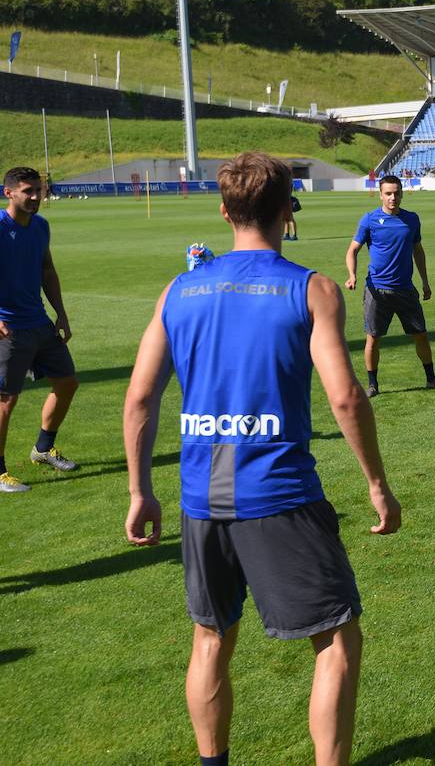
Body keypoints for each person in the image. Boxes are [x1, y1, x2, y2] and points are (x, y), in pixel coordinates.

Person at [123, 151, 402, 765]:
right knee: (334, 640)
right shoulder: (312, 289)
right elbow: (346, 398)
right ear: (286, 212)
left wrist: (140, 490)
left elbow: (141, 395)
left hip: (203, 491)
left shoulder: (180, 289)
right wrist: (377, 485)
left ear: (225, 212)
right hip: (277, 491)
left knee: (210, 638)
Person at [0, 166, 79, 493]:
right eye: (27, 191)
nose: (35, 197)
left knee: (68, 383)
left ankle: (43, 449)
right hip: (9, 329)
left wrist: (60, 313)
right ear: (9, 193)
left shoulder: (41, 226)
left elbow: (47, 270)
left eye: (39, 190)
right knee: (6, 399)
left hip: (39, 322)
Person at [344, 175, 435, 397]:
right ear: (380, 194)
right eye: (388, 193)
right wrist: (352, 275)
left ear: (402, 193)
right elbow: (352, 250)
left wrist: (425, 281)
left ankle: (431, 379)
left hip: (405, 289)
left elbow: (418, 251)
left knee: (421, 334)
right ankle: (373, 385)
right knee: (373, 339)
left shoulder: (412, 219)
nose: (393, 197)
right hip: (377, 291)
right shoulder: (369, 220)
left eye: (396, 193)